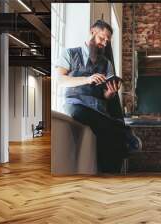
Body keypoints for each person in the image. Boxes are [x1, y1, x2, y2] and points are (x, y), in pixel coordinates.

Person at [55, 20, 141, 173]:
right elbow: (60, 80)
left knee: (110, 136)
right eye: (102, 38)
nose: (104, 43)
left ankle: (110, 174)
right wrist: (87, 79)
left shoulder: (106, 63)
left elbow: (105, 96)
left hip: (98, 110)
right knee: (113, 133)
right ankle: (123, 133)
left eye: (107, 41)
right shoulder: (69, 53)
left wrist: (110, 93)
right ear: (92, 32)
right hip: (76, 106)